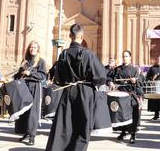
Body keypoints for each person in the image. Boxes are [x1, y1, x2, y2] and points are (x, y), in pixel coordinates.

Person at [45, 23, 107, 151]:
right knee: (82, 125)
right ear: (82, 37)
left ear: (70, 36)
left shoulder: (63, 54)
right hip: (85, 93)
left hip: (68, 91)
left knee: (65, 124)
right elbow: (101, 76)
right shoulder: (89, 54)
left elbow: (58, 79)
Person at [14, 40, 47, 145]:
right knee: (24, 111)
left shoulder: (41, 61)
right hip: (24, 87)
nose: (32, 49)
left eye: (35, 47)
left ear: (38, 50)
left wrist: (30, 73)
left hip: (34, 87)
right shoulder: (24, 61)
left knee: (33, 112)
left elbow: (42, 76)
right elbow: (18, 74)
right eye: (31, 47)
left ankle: (32, 136)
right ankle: (25, 133)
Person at [111, 50, 143, 144]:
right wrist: (111, 83)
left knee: (133, 115)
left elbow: (140, 82)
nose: (124, 58)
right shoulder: (118, 69)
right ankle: (123, 132)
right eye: (123, 56)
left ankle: (133, 134)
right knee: (121, 115)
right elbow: (111, 78)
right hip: (120, 95)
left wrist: (135, 81)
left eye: (126, 56)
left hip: (130, 95)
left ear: (130, 58)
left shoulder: (134, 69)